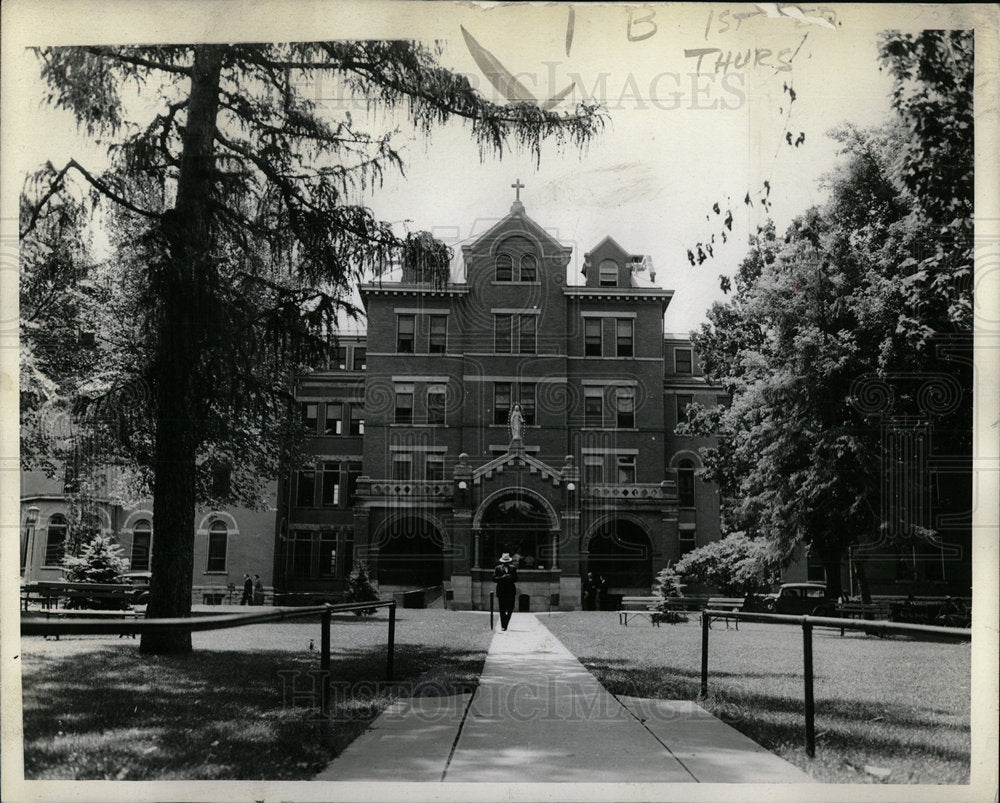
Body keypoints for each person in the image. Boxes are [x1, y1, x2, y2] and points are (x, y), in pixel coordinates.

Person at [493, 553, 518, 631]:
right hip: (501, 591)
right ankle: (503, 625)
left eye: (507, 561)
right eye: (504, 561)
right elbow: (494, 579)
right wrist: (502, 577)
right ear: (502, 561)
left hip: (511, 591)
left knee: (511, 607)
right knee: (502, 609)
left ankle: (506, 621)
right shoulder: (498, 568)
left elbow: (516, 579)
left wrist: (511, 578)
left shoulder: (513, 568)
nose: (505, 563)